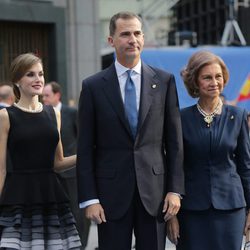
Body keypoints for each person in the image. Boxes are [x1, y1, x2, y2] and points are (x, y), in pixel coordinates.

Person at [76, 11, 184, 250]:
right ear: (111, 40)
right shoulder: (93, 87)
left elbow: (174, 142)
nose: (132, 39)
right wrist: (90, 199)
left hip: (155, 196)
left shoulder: (164, 81)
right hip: (110, 197)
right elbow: (85, 148)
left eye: (137, 33)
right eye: (125, 34)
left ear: (143, 38)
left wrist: (175, 190)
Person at [167, 50, 250, 250]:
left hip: (231, 209)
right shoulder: (181, 119)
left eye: (218, 76)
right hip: (191, 210)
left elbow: (245, 166)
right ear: (195, 82)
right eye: (207, 77)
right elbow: (174, 167)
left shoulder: (238, 116)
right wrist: (172, 216)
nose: (214, 82)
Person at [0, 53, 82, 249]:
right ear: (17, 81)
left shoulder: (54, 113)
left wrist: (86, 155)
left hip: (50, 197)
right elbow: (1, 169)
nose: (38, 79)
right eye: (30, 74)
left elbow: (58, 163)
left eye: (40, 74)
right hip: (18, 198)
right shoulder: (5, 116)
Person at [43, 81, 90, 249]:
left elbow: (84, 139)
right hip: (51, 174)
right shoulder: (43, 114)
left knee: (77, 213)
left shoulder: (71, 113)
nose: (44, 99)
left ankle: (81, 245)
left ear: (57, 95)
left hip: (71, 173)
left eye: (47, 95)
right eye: (43, 96)